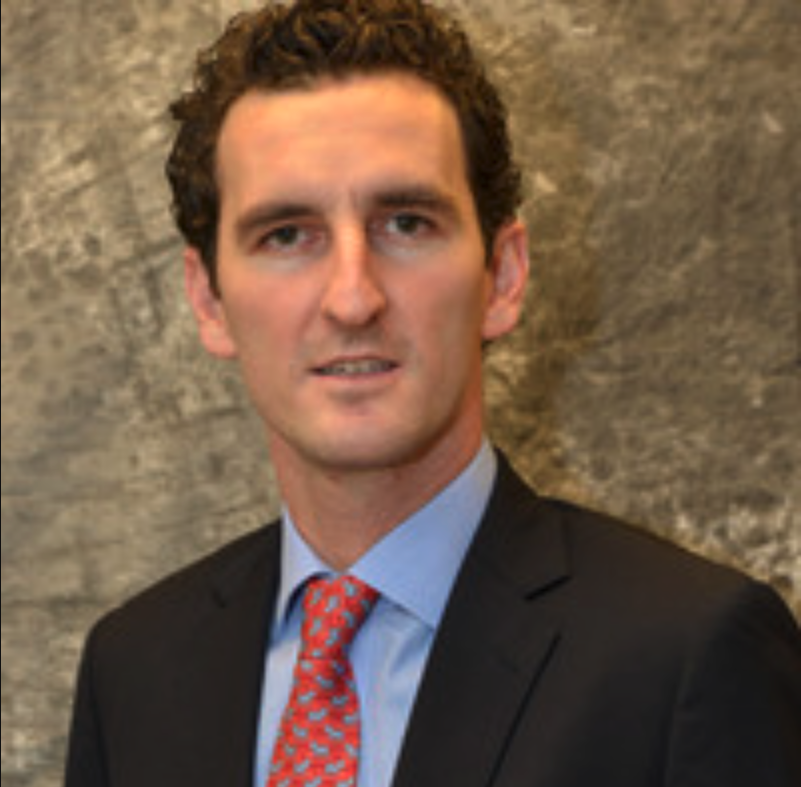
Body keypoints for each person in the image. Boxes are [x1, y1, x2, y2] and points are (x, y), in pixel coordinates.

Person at [64, 1, 801, 785]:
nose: (352, 298)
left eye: (406, 224)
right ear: (208, 298)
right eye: (286, 234)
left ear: (501, 276)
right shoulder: (133, 669)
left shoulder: (686, 653)